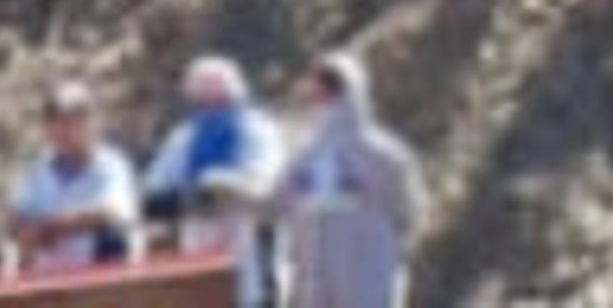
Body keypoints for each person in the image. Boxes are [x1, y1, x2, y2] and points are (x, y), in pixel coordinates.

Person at [267, 49, 424, 308]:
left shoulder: (384, 156)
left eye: (331, 88)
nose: (324, 99)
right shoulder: (305, 157)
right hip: (318, 286)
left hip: (363, 282)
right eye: (320, 90)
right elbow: (274, 206)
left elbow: (409, 210)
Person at [139, 52, 284, 303]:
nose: (213, 107)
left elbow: (269, 186)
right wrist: (189, 198)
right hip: (199, 265)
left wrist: (223, 187)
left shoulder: (259, 132)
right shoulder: (183, 139)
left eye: (221, 99)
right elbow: (152, 196)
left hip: (251, 260)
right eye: (204, 100)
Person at [6, 77, 139, 272]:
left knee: (113, 235)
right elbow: (17, 219)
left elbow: (114, 212)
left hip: (98, 272)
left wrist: (55, 227)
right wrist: (31, 231)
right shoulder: (35, 171)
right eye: (57, 123)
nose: (64, 131)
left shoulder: (111, 165)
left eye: (72, 122)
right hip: (48, 272)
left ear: (89, 123)